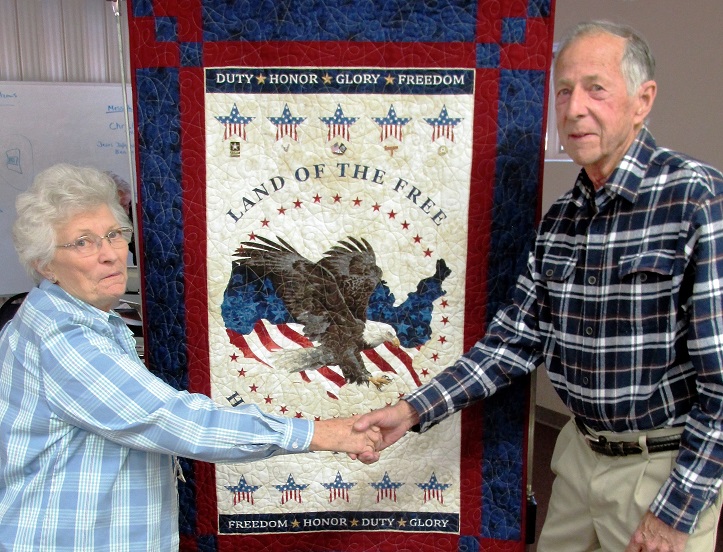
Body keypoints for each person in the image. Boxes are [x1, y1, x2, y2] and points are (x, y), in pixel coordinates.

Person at [354, 20, 723, 552]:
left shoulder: (696, 199)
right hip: (576, 457)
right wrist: (413, 410)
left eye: (596, 88)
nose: (574, 108)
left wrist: (676, 511)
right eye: (564, 91)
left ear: (643, 101)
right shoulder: (562, 219)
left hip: (659, 471)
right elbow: (513, 341)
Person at [0, 163, 381, 551]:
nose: (110, 254)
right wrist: (318, 433)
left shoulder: (88, 320)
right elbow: (173, 420)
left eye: (114, 234)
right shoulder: (62, 337)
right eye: (82, 242)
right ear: (45, 264)